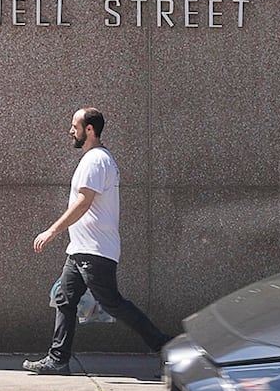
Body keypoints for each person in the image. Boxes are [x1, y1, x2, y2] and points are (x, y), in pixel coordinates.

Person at [24, 106, 170, 375]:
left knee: (114, 304)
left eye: (75, 126)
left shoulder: (96, 160)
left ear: (89, 130)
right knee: (64, 298)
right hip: (81, 251)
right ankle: (58, 360)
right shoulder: (93, 159)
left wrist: (52, 231)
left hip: (95, 252)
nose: (71, 131)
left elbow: (84, 202)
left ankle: (166, 347)